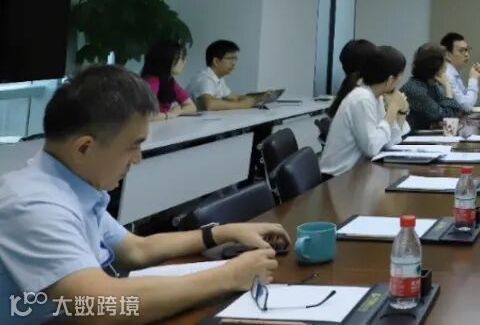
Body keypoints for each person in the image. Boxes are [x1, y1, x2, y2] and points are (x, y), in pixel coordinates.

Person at [0, 66, 288, 324]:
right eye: (133, 146)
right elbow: (100, 306)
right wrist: (228, 276)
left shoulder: (72, 186)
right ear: (84, 148)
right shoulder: (33, 205)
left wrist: (222, 233)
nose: (137, 159)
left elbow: (136, 250)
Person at [320, 45, 411, 176]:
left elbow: (391, 142)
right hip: (338, 178)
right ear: (391, 80)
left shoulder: (376, 96)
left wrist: (400, 112)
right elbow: (371, 148)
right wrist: (392, 110)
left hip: (357, 173)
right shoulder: (362, 98)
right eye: (399, 77)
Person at [401, 43, 465, 131]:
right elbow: (446, 117)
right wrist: (447, 87)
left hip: (422, 135)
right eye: (445, 62)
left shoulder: (431, 84)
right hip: (409, 138)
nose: (447, 66)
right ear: (436, 67)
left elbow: (455, 112)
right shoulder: (415, 89)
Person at [188, 40, 266, 111]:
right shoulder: (205, 79)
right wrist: (241, 105)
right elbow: (210, 104)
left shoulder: (219, 79)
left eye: (235, 59)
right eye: (230, 58)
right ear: (216, 61)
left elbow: (234, 98)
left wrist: (259, 97)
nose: (234, 63)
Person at [139, 40, 197, 120]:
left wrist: (178, 111)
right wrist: (168, 115)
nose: (184, 62)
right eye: (181, 58)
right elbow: (146, 114)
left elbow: (191, 106)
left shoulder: (170, 81)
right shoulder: (152, 81)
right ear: (166, 59)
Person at [440, 32, 480, 109]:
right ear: (447, 55)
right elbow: (466, 106)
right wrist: (473, 79)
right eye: (461, 51)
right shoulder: (447, 74)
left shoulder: (454, 72)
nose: (466, 54)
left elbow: (466, 99)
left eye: (467, 50)